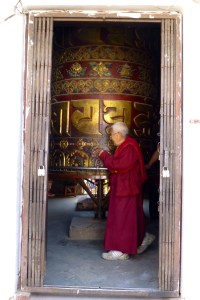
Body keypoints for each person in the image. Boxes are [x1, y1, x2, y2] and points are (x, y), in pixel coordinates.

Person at [93, 122, 155, 260]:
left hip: (126, 189)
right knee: (128, 217)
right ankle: (141, 238)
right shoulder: (124, 146)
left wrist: (104, 155)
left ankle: (120, 250)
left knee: (121, 218)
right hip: (124, 187)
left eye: (112, 135)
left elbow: (119, 165)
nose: (111, 138)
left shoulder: (129, 147)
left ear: (119, 134)